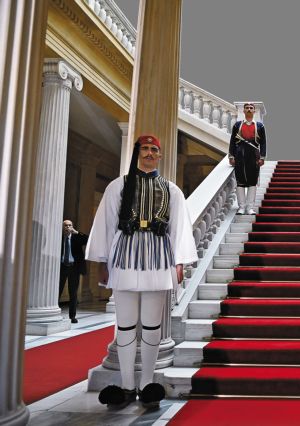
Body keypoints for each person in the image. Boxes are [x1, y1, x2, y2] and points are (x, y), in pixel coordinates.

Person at [86, 135, 198, 409]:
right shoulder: (118, 186)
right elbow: (106, 223)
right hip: (124, 257)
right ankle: (126, 386)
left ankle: (147, 384)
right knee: (124, 326)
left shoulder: (171, 190)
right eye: (145, 148)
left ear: (160, 155)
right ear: (138, 153)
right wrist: (102, 261)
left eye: (154, 149)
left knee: (151, 326)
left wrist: (180, 262)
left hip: (158, 259)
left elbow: (180, 227)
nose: (149, 153)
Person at [229, 103, 266, 215]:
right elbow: (232, 141)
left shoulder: (260, 126)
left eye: (251, 108)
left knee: (252, 182)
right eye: (247, 108)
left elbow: (263, 143)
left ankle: (250, 208)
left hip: (254, 155)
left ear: (254, 111)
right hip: (240, 155)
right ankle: (241, 207)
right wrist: (231, 156)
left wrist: (262, 157)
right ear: (244, 111)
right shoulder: (237, 125)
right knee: (240, 182)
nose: (249, 109)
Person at [59, 220, 88, 323]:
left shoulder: (77, 238)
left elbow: (87, 240)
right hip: (62, 267)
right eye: (66, 225)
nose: (68, 227)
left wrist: (76, 232)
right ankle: (54, 313)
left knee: (73, 293)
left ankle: (72, 316)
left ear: (72, 226)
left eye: (70, 225)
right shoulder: (59, 238)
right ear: (62, 227)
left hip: (74, 268)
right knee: (58, 291)